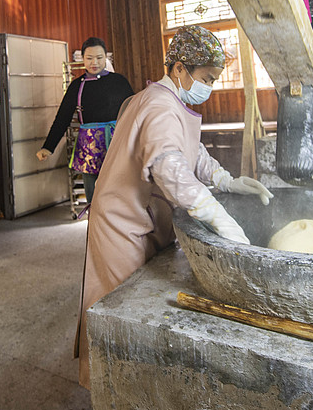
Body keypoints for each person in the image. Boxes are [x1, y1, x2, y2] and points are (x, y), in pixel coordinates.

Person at [76, 25, 274, 387]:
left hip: (144, 214)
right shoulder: (158, 104)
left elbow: (191, 151)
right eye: (207, 78)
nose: (209, 87)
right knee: (121, 312)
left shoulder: (169, 100)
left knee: (142, 306)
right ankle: (113, 388)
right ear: (180, 68)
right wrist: (219, 217)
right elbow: (169, 167)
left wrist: (226, 180)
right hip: (121, 221)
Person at [36, 37, 134, 203]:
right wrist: (48, 147)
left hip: (116, 142)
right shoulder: (76, 86)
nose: (94, 62)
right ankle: (93, 218)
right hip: (89, 147)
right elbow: (62, 118)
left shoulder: (119, 81)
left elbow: (134, 111)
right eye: (89, 58)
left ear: (106, 58)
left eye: (99, 57)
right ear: (82, 58)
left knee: (121, 190)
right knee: (92, 196)